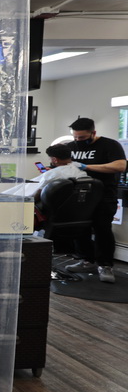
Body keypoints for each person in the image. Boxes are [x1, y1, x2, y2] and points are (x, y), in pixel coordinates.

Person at [64, 117, 127, 283]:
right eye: (75, 137)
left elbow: (120, 166)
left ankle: (105, 265)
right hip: (79, 196)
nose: (78, 141)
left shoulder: (110, 145)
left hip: (104, 195)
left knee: (102, 229)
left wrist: (86, 167)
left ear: (93, 133)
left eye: (82, 138)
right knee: (80, 229)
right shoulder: (70, 147)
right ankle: (87, 261)